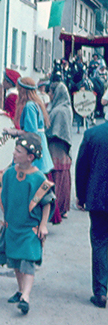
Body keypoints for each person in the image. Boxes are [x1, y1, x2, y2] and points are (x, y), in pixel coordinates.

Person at [0, 133, 54, 315]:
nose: (14, 153)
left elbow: (46, 201)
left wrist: (43, 225)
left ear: (30, 157)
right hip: (13, 227)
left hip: (29, 229)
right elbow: (1, 193)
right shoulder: (10, 173)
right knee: (16, 261)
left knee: (28, 261)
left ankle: (26, 296)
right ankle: (20, 291)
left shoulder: (38, 178)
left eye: (18, 151)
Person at [76, 121, 108, 309]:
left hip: (99, 198)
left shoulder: (92, 134)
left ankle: (101, 291)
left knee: (100, 242)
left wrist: (81, 196)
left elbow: (82, 168)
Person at [5, 77, 53, 175]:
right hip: (40, 142)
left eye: (19, 90)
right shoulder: (36, 103)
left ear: (23, 91)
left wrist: (14, 132)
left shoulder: (30, 106)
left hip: (32, 146)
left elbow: (31, 132)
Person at [46, 82, 73, 225]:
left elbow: (54, 131)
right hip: (60, 149)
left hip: (57, 148)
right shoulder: (62, 107)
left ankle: (60, 208)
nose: (49, 95)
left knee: (58, 178)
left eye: (51, 92)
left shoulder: (60, 111)